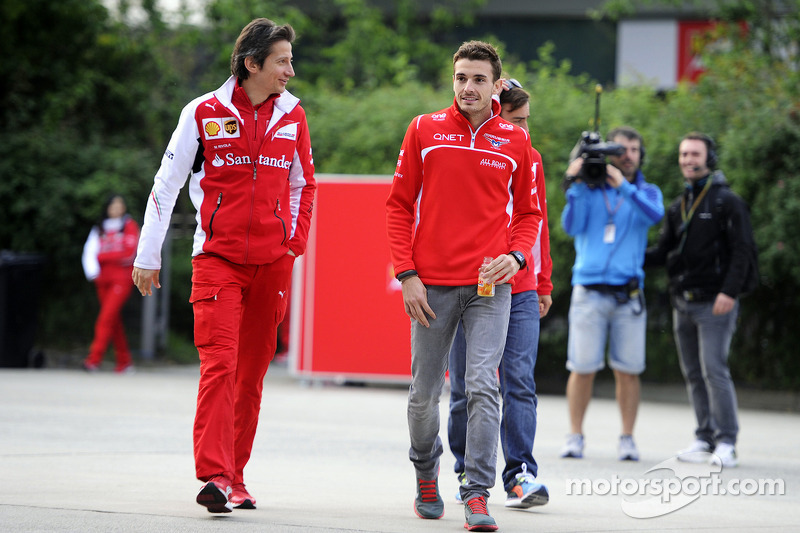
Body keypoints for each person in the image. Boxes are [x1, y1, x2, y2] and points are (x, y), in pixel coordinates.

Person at [132, 18, 316, 513]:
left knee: (252, 375)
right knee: (220, 366)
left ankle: (237, 476)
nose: (290, 72)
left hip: (273, 265)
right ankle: (213, 475)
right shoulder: (202, 112)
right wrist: (147, 256)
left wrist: (293, 246)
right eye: (282, 61)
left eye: (290, 61)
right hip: (216, 261)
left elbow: (304, 185)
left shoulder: (293, 115)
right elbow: (166, 184)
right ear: (251, 63)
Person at [386, 41, 541, 532]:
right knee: (423, 394)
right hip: (429, 285)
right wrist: (406, 275)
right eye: (461, 78)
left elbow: (530, 214)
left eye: (478, 79)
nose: (468, 87)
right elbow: (397, 206)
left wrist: (515, 257)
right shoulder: (423, 129)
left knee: (481, 386)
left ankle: (477, 493)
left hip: (488, 288)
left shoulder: (515, 142)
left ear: (497, 85)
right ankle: (425, 472)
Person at [447, 79, 552, 510]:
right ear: (494, 117)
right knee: (464, 388)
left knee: (519, 383)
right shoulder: (466, 151)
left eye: (527, 121)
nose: (523, 130)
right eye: (515, 120)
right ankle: (464, 469)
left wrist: (542, 283)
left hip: (522, 288)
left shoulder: (532, 157)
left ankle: (520, 475)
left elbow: (537, 222)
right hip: (468, 285)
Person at [645, 132, 755, 468]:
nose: (688, 160)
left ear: (709, 158)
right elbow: (663, 252)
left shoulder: (727, 202)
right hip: (684, 301)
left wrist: (729, 292)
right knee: (693, 372)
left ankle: (727, 441)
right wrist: (623, 254)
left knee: (714, 370)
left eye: (694, 154)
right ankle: (704, 437)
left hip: (715, 303)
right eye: (683, 154)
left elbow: (743, 251)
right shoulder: (679, 205)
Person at [560, 126, 664, 461]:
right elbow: (570, 227)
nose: (627, 155)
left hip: (628, 295)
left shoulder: (647, 192)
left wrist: (625, 187)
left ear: (640, 155)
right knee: (582, 366)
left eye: (634, 149)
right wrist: (573, 185)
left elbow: (654, 215)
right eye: (621, 149)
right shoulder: (590, 190)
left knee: (628, 370)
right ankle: (575, 435)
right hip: (589, 291)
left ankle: (627, 438)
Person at [81, 194, 139, 373]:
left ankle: (93, 360)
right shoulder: (99, 228)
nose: (116, 208)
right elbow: (89, 251)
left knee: (106, 318)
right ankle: (125, 361)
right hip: (102, 279)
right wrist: (94, 272)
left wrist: (104, 256)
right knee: (112, 320)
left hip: (121, 278)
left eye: (120, 205)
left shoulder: (129, 225)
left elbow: (129, 253)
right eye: (113, 205)